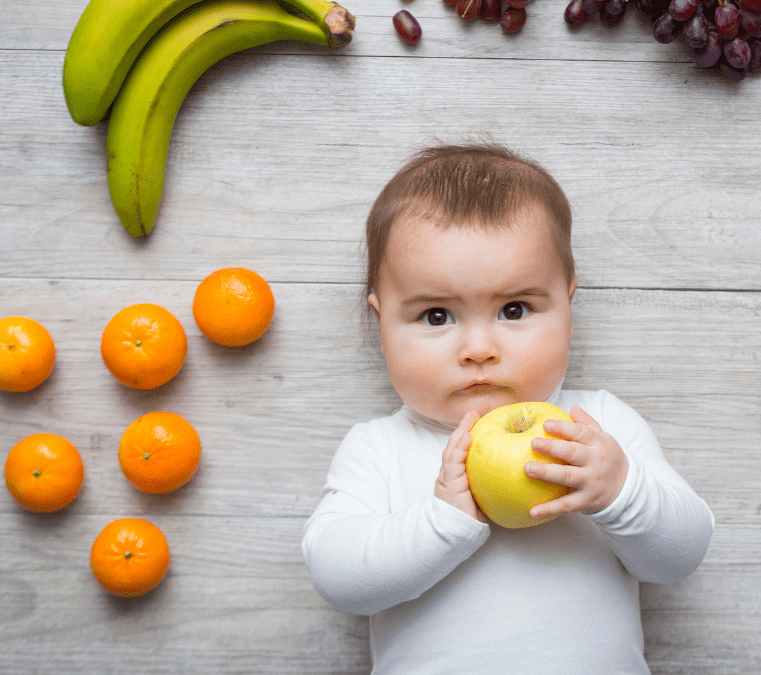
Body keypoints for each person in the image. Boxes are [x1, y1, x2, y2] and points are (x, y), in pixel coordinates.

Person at [302, 142, 715, 674]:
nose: (479, 347)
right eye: (435, 316)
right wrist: (440, 524)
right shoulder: (379, 448)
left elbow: (682, 556)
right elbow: (338, 579)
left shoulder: (596, 429)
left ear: (568, 307)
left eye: (514, 309)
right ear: (381, 324)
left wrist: (619, 492)